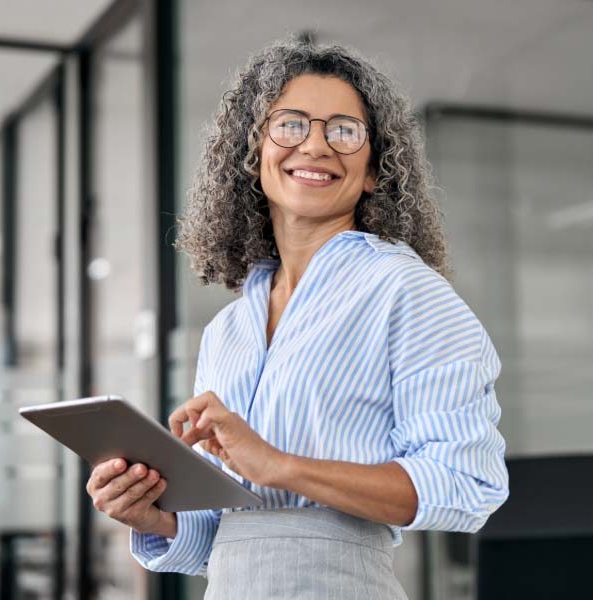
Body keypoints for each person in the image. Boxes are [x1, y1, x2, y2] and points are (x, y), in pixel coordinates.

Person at [85, 35, 509, 599]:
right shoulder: (228, 331)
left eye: (343, 130)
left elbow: (466, 484)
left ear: (376, 169)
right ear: (253, 154)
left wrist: (279, 464)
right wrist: (153, 516)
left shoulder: (406, 292)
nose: (314, 146)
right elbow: (232, 531)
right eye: (290, 125)